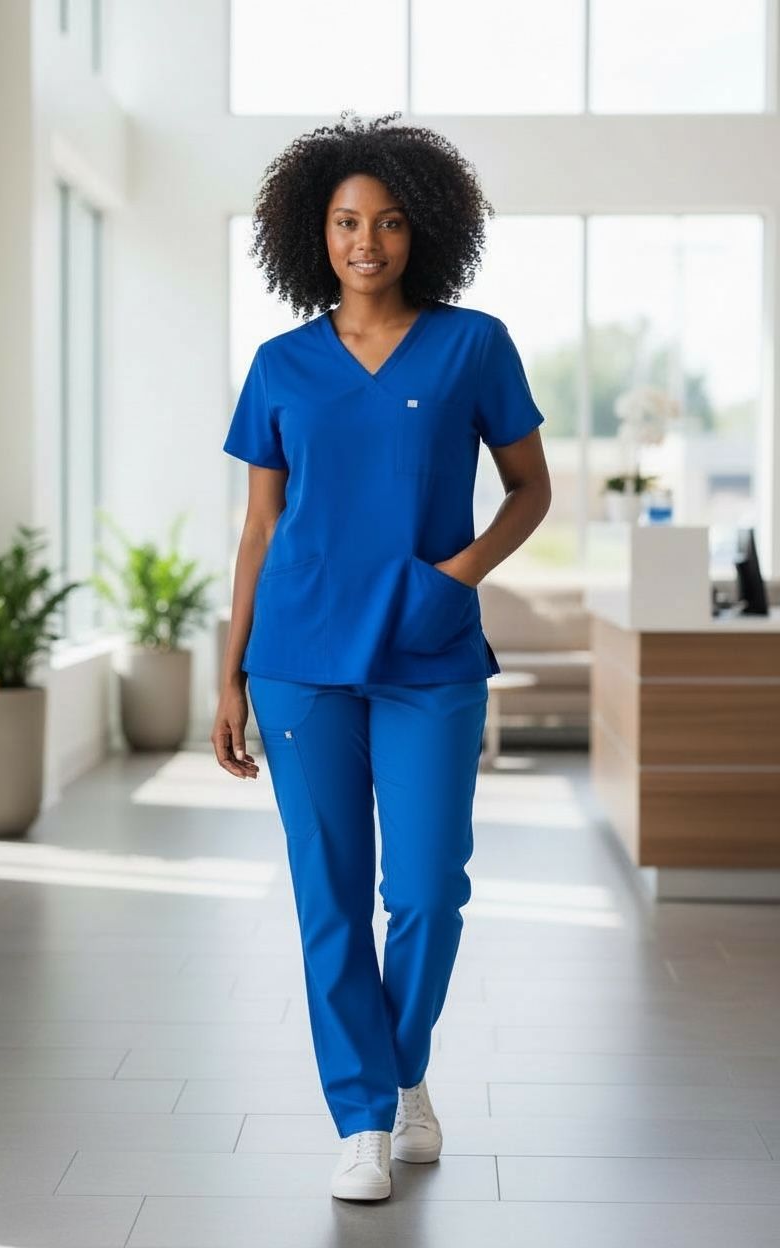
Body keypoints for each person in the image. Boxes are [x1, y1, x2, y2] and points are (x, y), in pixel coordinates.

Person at [211, 109, 551, 1202]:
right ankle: (363, 1117)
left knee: (428, 888)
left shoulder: (473, 345)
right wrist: (228, 671)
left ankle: (401, 1071)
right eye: (348, 222)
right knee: (330, 894)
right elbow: (259, 528)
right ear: (313, 233)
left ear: (424, 231)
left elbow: (530, 488)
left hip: (429, 652)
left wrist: (455, 576)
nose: (368, 242)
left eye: (391, 222)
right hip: (299, 658)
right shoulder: (279, 365)